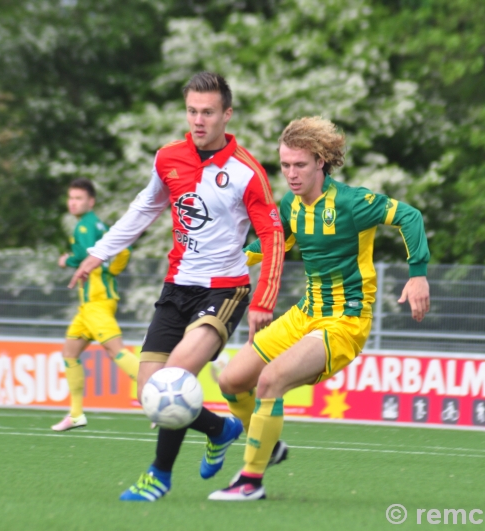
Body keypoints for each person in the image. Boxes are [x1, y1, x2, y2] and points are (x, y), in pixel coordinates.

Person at [68, 72, 285, 501]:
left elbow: (273, 236)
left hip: (225, 290)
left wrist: (264, 298)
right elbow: (142, 209)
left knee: (174, 377)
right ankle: (220, 428)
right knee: (152, 394)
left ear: (227, 114)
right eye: (192, 111)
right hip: (176, 288)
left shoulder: (247, 172)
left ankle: (158, 476)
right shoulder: (167, 158)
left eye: (208, 112)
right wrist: (100, 251)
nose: (198, 120)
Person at [208, 116, 431, 501]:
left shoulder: (352, 203)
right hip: (304, 314)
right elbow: (271, 245)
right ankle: (270, 445)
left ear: (320, 163)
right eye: (285, 165)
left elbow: (409, 216)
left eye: (300, 165)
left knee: (270, 381)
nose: (291, 174)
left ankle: (250, 481)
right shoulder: (290, 205)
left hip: (344, 322)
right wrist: (225, 266)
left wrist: (418, 274)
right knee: (230, 381)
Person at [51, 178, 140, 431]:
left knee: (116, 351)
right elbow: (125, 249)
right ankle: (76, 414)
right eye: (71, 197)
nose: (73, 202)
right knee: (69, 353)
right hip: (90, 304)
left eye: (78, 198)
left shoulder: (84, 226)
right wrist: (112, 270)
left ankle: (156, 400)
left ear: (91, 201)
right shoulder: (98, 225)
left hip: (97, 303)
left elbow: (82, 256)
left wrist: (66, 261)